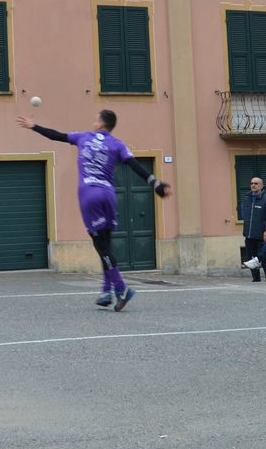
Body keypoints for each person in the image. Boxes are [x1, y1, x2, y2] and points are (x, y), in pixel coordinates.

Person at [17, 110, 171, 310]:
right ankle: (106, 292)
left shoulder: (84, 137)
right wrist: (156, 184)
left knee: (102, 247)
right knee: (105, 244)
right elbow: (135, 166)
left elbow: (57, 135)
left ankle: (122, 289)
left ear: (101, 124)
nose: (93, 122)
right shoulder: (118, 144)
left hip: (89, 195)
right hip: (108, 196)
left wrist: (34, 126)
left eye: (96, 119)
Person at [240, 176, 266, 282]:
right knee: (251, 258)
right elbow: (244, 216)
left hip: (262, 235)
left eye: (256, 183)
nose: (253, 185)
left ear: (262, 186)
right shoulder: (246, 200)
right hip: (249, 235)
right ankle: (256, 279)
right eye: (251, 183)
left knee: (264, 258)